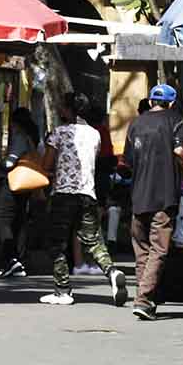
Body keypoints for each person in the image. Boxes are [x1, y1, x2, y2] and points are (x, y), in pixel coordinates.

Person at [40, 94, 126, 307]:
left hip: (63, 194)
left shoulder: (59, 133)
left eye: (62, 107)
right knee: (93, 239)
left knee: (55, 243)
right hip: (88, 194)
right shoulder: (95, 134)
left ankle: (62, 290)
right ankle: (112, 272)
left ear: (69, 110)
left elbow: (46, 165)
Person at [124, 84, 183, 321]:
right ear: (171, 103)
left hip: (139, 195)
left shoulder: (136, 123)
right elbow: (180, 153)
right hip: (164, 196)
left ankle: (144, 299)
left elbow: (128, 161)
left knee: (142, 250)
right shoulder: (176, 121)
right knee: (158, 249)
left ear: (151, 101)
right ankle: (143, 299)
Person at [0, 106, 42, 278]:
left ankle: (11, 260)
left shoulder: (20, 138)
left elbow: (9, 163)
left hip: (13, 184)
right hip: (25, 186)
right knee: (19, 222)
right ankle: (18, 260)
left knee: (2, 220)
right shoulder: (32, 138)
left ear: (15, 123)